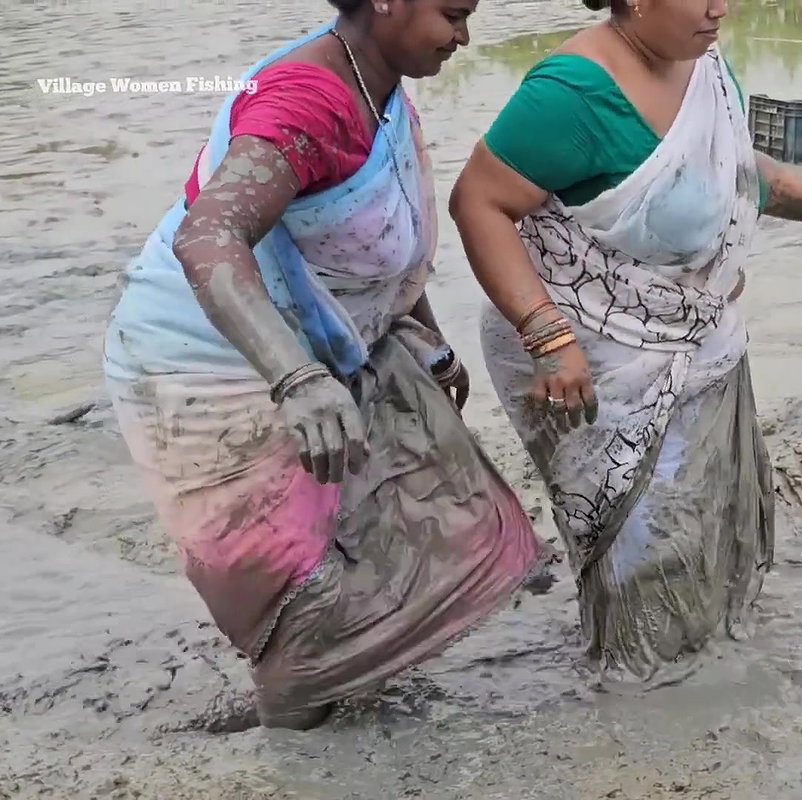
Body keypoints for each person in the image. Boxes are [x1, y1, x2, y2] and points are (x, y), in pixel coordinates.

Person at [101, 0, 548, 730]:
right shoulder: (309, 102)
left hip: (314, 346)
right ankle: (298, 749)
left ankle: (347, 706)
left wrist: (427, 337)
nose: (465, 37)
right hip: (206, 370)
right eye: (452, 14)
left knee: (393, 540)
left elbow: (376, 236)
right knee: (299, 605)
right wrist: (299, 380)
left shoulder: (380, 84)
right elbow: (208, 237)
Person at [448, 0, 802, 683]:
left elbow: (729, 170)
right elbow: (477, 202)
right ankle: (632, 701)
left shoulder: (702, 64)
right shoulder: (572, 94)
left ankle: (698, 687)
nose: (718, 7)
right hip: (596, 360)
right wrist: (548, 336)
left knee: (702, 524)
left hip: (695, 338)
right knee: (643, 547)